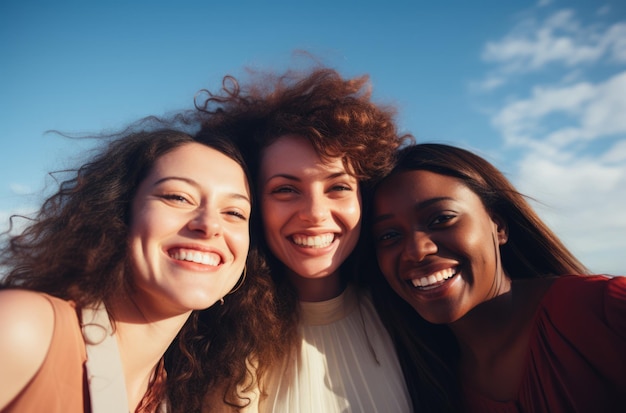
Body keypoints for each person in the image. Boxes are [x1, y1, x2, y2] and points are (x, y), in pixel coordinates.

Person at [0, 125, 282, 412]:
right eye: (178, 197)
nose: (209, 225)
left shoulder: (177, 396)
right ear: (119, 213)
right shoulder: (25, 330)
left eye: (234, 213)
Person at [196, 67, 415, 412]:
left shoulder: (412, 317)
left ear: (364, 198)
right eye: (285, 189)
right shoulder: (210, 339)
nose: (315, 213)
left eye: (338, 187)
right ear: (253, 203)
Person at [368, 142, 626, 412]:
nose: (417, 251)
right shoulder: (426, 386)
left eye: (441, 218)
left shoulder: (604, 310)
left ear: (499, 226)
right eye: (389, 235)